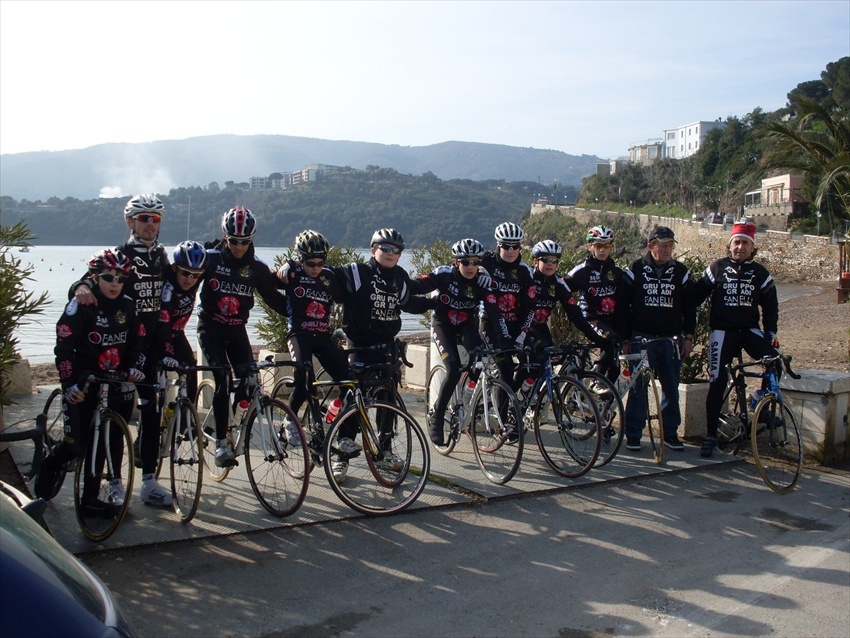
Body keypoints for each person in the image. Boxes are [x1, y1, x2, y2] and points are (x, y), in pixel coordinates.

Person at [69, 194, 173, 506]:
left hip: (152, 344)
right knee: (118, 413)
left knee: (151, 412)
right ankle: (114, 482)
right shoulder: (120, 255)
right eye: (144, 219)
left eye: (156, 219)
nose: (151, 224)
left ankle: (150, 481)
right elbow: (85, 282)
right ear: (130, 222)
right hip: (124, 344)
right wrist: (82, 288)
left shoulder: (161, 257)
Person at [34, 250, 146, 517]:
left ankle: (90, 500)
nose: (115, 283)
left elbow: (138, 341)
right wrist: (69, 383)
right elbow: (64, 345)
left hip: (112, 382)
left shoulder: (129, 305)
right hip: (82, 383)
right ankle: (51, 465)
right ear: (95, 277)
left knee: (101, 440)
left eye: (121, 277)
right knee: (75, 445)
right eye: (108, 277)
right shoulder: (81, 304)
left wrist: (136, 368)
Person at [332, 228, 430, 481]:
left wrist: (438, 301)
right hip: (360, 345)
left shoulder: (399, 277)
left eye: (396, 250)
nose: (390, 253)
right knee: (357, 398)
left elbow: (410, 303)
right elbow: (327, 280)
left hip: (386, 346)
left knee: (388, 399)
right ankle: (341, 455)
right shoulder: (357, 272)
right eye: (384, 248)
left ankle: (384, 451)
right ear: (373, 249)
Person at [197, 206, 289, 468]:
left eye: (244, 242)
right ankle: (221, 442)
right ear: (225, 237)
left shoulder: (257, 268)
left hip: (236, 329)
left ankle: (237, 419)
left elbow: (274, 300)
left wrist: (302, 316)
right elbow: (183, 282)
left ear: (252, 239)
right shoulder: (211, 259)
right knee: (223, 378)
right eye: (234, 241)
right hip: (210, 327)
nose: (239, 247)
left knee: (250, 379)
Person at [694, 221, 779, 457]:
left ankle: (762, 404)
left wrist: (770, 332)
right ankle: (711, 434)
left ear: (753, 247)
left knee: (775, 360)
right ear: (729, 245)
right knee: (717, 381)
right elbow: (696, 296)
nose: (740, 247)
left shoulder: (760, 273)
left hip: (749, 330)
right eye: (736, 242)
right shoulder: (717, 267)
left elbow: (771, 307)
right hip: (722, 332)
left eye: (745, 243)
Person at [415, 238, 510, 445]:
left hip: (467, 324)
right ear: (456, 262)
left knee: (481, 361)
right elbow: (418, 285)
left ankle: (468, 395)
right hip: (443, 325)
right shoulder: (444, 274)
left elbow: (495, 314)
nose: (471, 267)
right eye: (466, 262)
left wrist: (505, 339)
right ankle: (437, 419)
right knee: (453, 367)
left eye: (476, 262)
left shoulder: (483, 281)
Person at [615, 226, 696, 452]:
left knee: (671, 386)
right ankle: (633, 433)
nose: (668, 249)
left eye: (671, 245)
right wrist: (624, 339)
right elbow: (622, 307)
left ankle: (670, 433)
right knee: (638, 387)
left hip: (671, 339)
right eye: (663, 245)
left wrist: (689, 337)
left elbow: (690, 308)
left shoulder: (682, 272)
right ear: (651, 246)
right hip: (641, 338)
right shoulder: (634, 269)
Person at [276, 230, 350, 446]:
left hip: (322, 336)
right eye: (310, 264)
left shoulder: (329, 276)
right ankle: (290, 420)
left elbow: (349, 291)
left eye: (320, 262)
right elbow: (265, 282)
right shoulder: (292, 275)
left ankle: (332, 412)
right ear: (301, 259)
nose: (316, 268)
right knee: (304, 374)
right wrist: (287, 266)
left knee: (348, 380)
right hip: (299, 335)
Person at [152, 241, 208, 461]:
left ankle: (186, 416)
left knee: (191, 369)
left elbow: (216, 252)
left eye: (195, 275)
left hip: (177, 334)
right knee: (159, 384)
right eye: (185, 273)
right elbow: (163, 325)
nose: (189, 279)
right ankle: (148, 434)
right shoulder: (168, 288)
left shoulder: (195, 276)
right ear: (175, 268)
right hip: (159, 336)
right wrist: (166, 354)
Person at [524, 240, 610, 379]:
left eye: (554, 260)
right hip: (524, 327)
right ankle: (512, 398)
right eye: (545, 260)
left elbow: (574, 314)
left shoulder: (559, 284)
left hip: (541, 328)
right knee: (530, 368)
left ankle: (538, 397)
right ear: (535, 262)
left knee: (547, 367)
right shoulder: (527, 278)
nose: (550, 264)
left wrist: (596, 339)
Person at [479, 222, 536, 390]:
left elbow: (529, 307)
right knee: (506, 368)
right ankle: (502, 415)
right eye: (506, 246)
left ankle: (514, 403)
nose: (510, 250)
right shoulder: (486, 263)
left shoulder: (524, 271)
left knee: (533, 363)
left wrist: (520, 335)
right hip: (489, 323)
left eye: (515, 246)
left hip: (514, 324)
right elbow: (460, 264)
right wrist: (478, 271)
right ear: (498, 245)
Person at [564, 226, 625, 382]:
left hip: (611, 320)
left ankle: (606, 398)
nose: (602, 250)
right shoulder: (581, 272)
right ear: (589, 246)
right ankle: (596, 382)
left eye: (607, 246)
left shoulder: (617, 272)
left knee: (616, 365)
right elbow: (562, 289)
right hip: (591, 319)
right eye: (598, 246)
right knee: (611, 342)